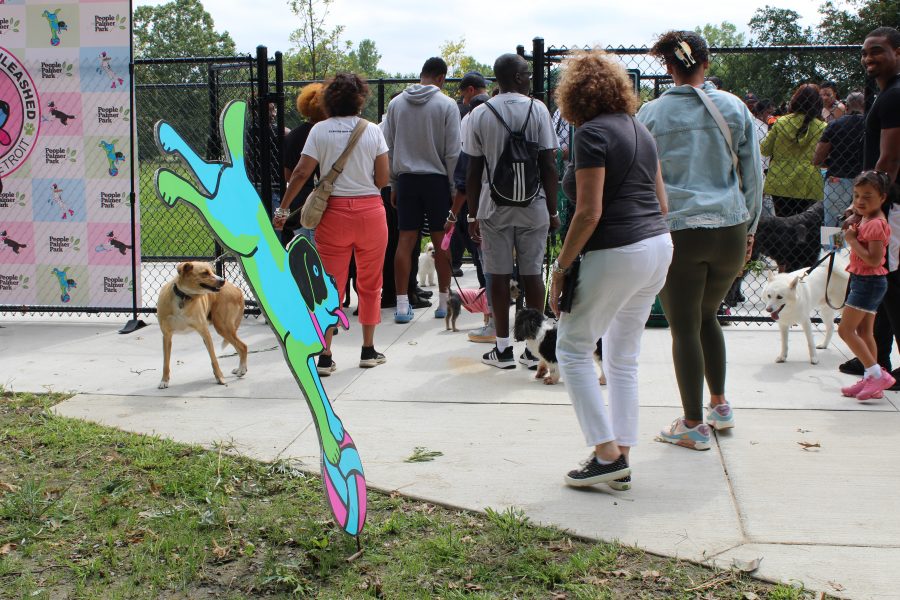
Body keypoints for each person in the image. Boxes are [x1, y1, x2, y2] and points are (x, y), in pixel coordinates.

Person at [548, 49, 673, 488]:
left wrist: (560, 268)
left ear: (573, 95)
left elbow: (587, 213)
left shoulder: (591, 134)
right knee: (623, 358)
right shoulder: (641, 131)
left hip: (618, 249)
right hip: (658, 245)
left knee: (572, 347)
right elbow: (662, 204)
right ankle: (620, 453)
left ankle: (605, 453)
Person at [636, 31, 762, 451]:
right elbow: (753, 177)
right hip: (730, 228)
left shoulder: (650, 115)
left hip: (680, 232)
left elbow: (640, 180)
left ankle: (692, 423)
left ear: (668, 66)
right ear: (706, 62)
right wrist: (751, 229)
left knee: (684, 326)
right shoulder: (734, 108)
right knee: (709, 316)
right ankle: (720, 405)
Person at [274, 73, 390, 375]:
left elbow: (300, 172)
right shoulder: (373, 131)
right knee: (370, 283)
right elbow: (382, 179)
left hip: (332, 215)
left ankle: (325, 354)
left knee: (329, 287)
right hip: (370, 214)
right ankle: (368, 349)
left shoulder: (319, 130)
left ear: (328, 99)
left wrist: (284, 208)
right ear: (360, 98)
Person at [464, 53, 559, 369]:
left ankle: (503, 349)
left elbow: (473, 171)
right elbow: (548, 164)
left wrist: (473, 214)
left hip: (494, 207)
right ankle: (534, 351)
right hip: (534, 205)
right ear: (517, 77)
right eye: (527, 73)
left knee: (498, 276)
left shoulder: (481, 113)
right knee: (533, 275)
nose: (530, 77)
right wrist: (554, 210)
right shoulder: (539, 109)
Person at [382, 57, 461, 323]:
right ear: (441, 77)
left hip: (405, 179)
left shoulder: (395, 104)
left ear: (422, 75)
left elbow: (389, 147)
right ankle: (443, 301)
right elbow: (453, 152)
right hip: (437, 180)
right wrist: (453, 188)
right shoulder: (447, 105)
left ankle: (402, 305)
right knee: (441, 242)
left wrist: (393, 181)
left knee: (405, 241)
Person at [842, 26, 900, 382]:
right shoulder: (887, 95)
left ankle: (878, 365)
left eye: (877, 51)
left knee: (892, 284)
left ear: (898, 52)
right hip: (886, 204)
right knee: (887, 287)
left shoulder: (894, 96)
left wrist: (865, 207)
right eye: (865, 52)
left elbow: (890, 159)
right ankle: (876, 363)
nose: (869, 58)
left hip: (890, 205)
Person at [838, 171, 894, 400]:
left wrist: (851, 240)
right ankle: (873, 381)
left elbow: (873, 259)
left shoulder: (874, 225)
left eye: (867, 196)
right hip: (869, 282)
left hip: (867, 282)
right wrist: (854, 216)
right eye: (857, 195)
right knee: (864, 331)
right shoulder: (867, 218)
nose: (860, 201)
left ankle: (876, 373)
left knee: (845, 330)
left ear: (882, 197)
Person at [760, 84, 827, 217]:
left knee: (784, 225)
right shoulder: (823, 126)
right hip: (809, 182)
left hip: (780, 181)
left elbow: (765, 149)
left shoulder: (781, 122)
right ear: (818, 103)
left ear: (795, 100)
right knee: (808, 223)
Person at [280, 83, 326, 245]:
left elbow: (288, 175)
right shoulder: (326, 134)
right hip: (320, 202)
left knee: (301, 247)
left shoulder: (293, 135)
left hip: (297, 200)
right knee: (319, 253)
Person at [814, 91, 865, 227]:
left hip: (837, 178)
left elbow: (818, 158)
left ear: (846, 107)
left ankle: (832, 248)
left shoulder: (835, 125)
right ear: (865, 106)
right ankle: (855, 248)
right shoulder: (871, 125)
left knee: (833, 224)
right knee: (863, 224)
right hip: (865, 179)